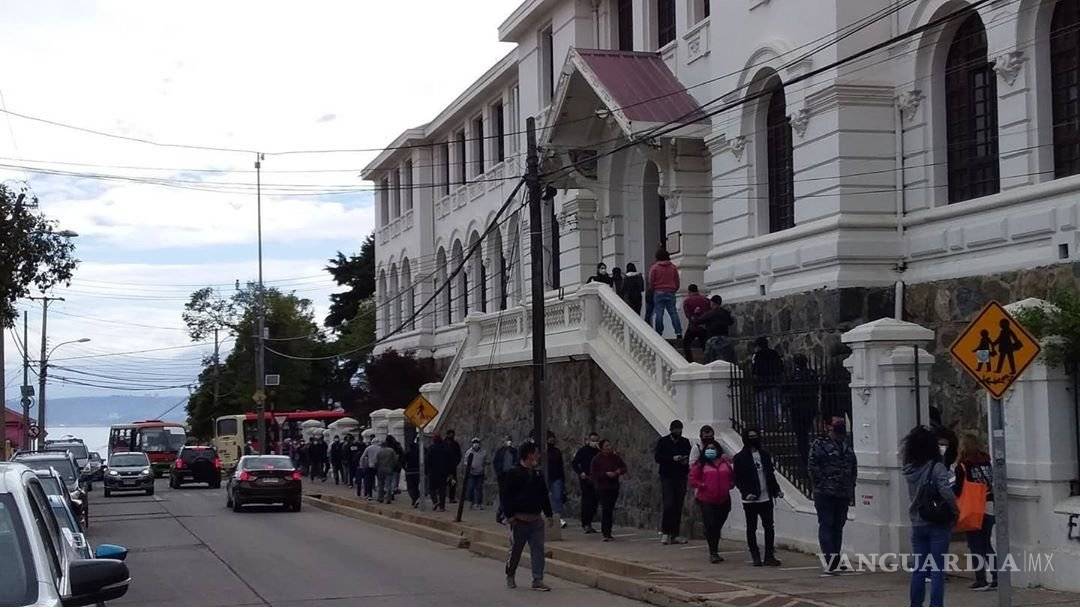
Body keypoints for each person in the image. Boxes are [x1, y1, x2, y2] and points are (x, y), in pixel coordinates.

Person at [903, 425, 958, 606]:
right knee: (937, 569)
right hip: (937, 522)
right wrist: (955, 511)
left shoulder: (910, 469)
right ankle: (936, 604)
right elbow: (947, 492)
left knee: (919, 568)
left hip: (917, 521)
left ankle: (915, 603)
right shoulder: (937, 467)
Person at [808, 416, 858, 574]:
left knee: (838, 526)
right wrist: (822, 483)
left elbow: (853, 468)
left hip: (842, 493)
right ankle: (830, 561)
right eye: (837, 431)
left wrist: (850, 487)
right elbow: (812, 467)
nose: (839, 435)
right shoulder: (820, 445)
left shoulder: (846, 446)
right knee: (827, 525)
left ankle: (835, 559)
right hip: (825, 492)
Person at [502, 442, 554, 591]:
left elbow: (544, 495)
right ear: (529, 455)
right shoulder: (513, 473)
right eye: (536, 453)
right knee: (516, 551)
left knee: (538, 550)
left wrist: (549, 514)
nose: (538, 456)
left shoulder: (538, 474)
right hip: (519, 520)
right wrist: (510, 515)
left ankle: (537, 579)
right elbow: (506, 496)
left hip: (536, 519)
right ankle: (510, 574)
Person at [733, 429, 782, 567]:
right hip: (750, 499)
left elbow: (770, 474)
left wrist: (776, 490)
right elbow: (738, 479)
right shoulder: (740, 458)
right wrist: (746, 493)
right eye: (750, 437)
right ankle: (755, 555)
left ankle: (769, 556)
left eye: (755, 436)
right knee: (751, 527)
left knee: (769, 527)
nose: (753, 439)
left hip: (766, 497)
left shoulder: (764, 455)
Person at [954, 432, 995, 591]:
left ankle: (981, 579)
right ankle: (997, 576)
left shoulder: (963, 466)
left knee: (975, 545)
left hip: (972, 508)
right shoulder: (987, 462)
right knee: (987, 543)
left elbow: (958, 490)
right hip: (989, 505)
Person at [688, 439, 734, 563]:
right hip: (707, 499)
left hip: (723, 499)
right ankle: (713, 552)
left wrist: (730, 484)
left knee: (717, 525)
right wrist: (702, 485)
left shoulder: (725, 463)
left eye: (713, 448)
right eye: (708, 449)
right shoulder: (701, 464)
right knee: (711, 524)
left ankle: (713, 543)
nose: (710, 450)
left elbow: (731, 476)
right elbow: (693, 478)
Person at [654, 420, 691, 544]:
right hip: (667, 476)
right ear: (671, 430)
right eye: (676, 429)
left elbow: (689, 455)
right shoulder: (663, 441)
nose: (678, 431)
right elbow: (658, 457)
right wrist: (672, 458)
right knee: (669, 504)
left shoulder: (685, 442)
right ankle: (665, 532)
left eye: (680, 429)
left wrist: (684, 460)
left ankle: (675, 534)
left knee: (678, 504)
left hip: (680, 476)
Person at [786, 354, 819, 478]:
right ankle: (808, 458)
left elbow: (787, 390)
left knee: (801, 436)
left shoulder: (794, 376)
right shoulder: (812, 374)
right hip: (810, 408)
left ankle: (805, 460)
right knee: (806, 433)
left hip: (798, 409)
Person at [590, 439, 627, 541]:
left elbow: (623, 467)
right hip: (602, 487)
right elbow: (593, 474)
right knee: (606, 508)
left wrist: (618, 471)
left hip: (613, 486)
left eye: (609, 445)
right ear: (602, 448)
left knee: (610, 509)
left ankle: (608, 531)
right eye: (606, 446)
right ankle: (606, 532)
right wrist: (605, 474)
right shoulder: (597, 459)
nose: (609, 447)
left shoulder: (615, 457)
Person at [648, 249, 682, 338]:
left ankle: (659, 332)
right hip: (670, 292)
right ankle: (678, 332)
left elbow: (651, 281)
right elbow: (677, 280)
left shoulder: (654, 267)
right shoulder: (673, 267)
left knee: (659, 313)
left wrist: (653, 289)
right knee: (673, 313)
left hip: (658, 292)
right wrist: (674, 289)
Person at [751, 337, 785, 427]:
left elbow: (754, 370)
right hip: (774, 382)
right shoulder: (774, 353)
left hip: (761, 384)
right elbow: (781, 367)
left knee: (761, 405)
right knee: (776, 403)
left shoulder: (757, 355)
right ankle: (780, 422)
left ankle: (761, 425)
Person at [571, 432, 601, 534]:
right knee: (587, 501)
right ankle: (586, 523)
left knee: (595, 502)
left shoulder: (599, 451)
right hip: (586, 479)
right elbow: (574, 463)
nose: (594, 442)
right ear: (588, 440)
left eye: (596, 440)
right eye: (592, 440)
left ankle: (590, 522)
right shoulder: (583, 450)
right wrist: (581, 473)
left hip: (597, 479)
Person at [680, 285, 711, 362]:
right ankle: (708, 360)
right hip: (704, 326)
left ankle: (690, 361)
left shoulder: (687, 301)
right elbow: (709, 312)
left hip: (693, 326)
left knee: (686, 343)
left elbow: (688, 315)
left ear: (689, 291)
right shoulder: (706, 300)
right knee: (704, 345)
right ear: (697, 290)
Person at [493, 435, 519, 524]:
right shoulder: (500, 451)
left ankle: (507, 513)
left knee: (510, 495)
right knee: (503, 495)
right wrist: (498, 472)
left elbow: (517, 461)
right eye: (506, 440)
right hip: (502, 476)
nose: (508, 442)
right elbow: (495, 462)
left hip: (511, 476)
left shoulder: (514, 451)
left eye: (509, 440)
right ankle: (502, 513)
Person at [426, 433, 452, 511]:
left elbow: (427, 460)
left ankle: (435, 501)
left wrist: (427, 471)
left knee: (431, 489)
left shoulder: (431, 448)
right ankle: (442, 507)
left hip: (433, 472)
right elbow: (450, 461)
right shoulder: (446, 448)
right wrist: (449, 472)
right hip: (443, 473)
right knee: (442, 490)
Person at [464, 437, 487, 509]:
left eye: (477, 442)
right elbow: (465, 461)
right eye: (474, 442)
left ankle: (479, 503)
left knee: (479, 488)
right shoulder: (469, 452)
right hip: (471, 473)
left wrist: (485, 466)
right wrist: (469, 466)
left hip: (480, 473)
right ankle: (471, 502)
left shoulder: (483, 452)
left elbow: (486, 461)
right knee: (471, 488)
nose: (476, 444)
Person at [445, 429, 463, 504]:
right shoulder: (443, 444)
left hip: (452, 467)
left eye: (453, 434)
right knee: (443, 483)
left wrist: (456, 462)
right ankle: (442, 498)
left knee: (453, 482)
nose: (452, 436)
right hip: (444, 467)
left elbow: (459, 455)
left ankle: (451, 498)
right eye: (450, 434)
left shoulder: (455, 444)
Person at [404, 437, 421, 506]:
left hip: (409, 472)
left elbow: (402, 461)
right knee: (416, 486)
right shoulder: (419, 454)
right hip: (417, 471)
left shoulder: (408, 453)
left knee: (410, 487)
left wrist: (405, 468)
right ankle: (416, 498)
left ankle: (414, 498)